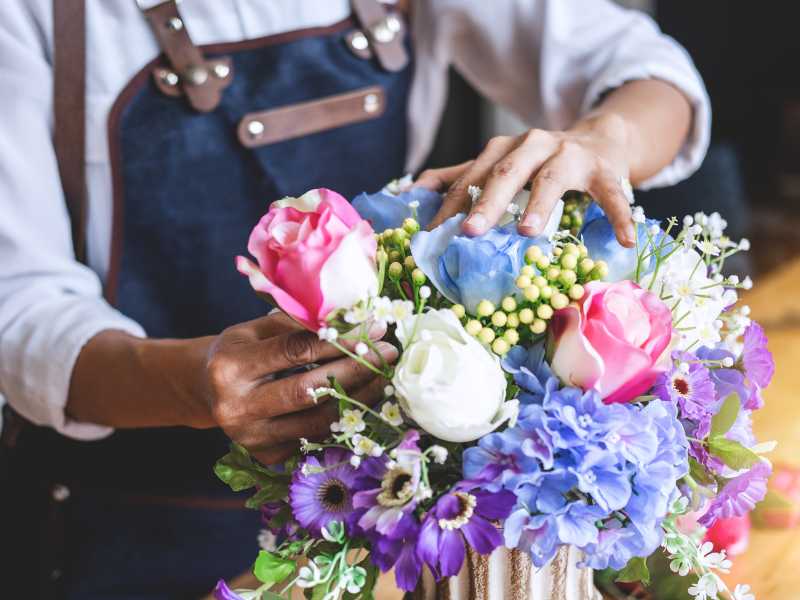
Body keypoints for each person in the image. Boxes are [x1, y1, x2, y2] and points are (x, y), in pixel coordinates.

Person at [0, 0, 709, 597]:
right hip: (123, 526)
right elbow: (19, 306)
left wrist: (598, 140)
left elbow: (651, 74)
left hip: (384, 528)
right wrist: (195, 384)